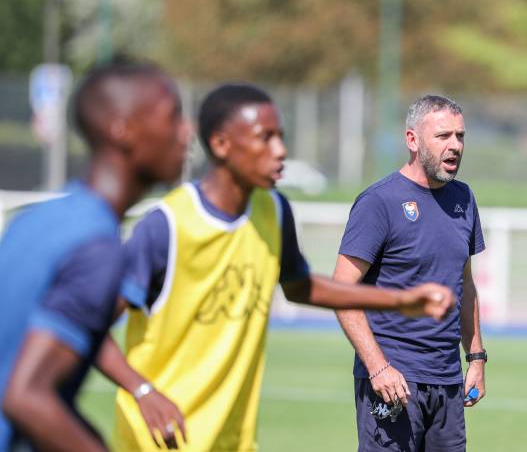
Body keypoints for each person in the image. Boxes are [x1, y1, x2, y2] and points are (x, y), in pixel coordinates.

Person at [96, 83, 454, 452]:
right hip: (159, 441)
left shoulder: (273, 212)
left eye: (280, 137)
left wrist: (401, 301)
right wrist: (142, 390)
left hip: (233, 441)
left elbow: (301, 287)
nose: (280, 151)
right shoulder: (167, 226)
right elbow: (87, 327)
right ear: (221, 145)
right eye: (264, 138)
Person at [0, 58, 191, 452]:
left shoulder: (38, 220)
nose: (186, 133)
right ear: (123, 129)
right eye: (173, 117)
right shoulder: (97, 247)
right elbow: (25, 396)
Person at [333, 94, 487, 452]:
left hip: (447, 382)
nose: (455, 146)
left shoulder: (464, 199)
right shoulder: (379, 202)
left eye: (460, 136)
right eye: (443, 136)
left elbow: (465, 285)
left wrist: (476, 358)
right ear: (413, 140)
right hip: (394, 381)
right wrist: (378, 367)